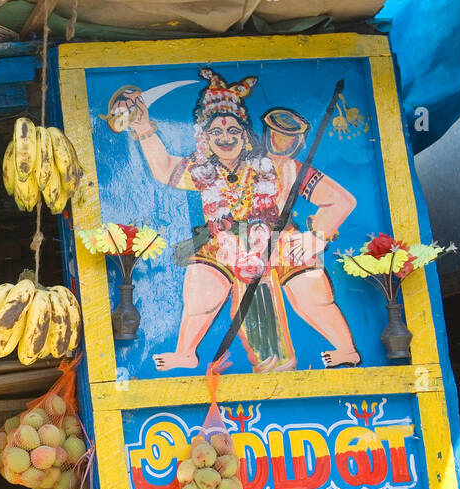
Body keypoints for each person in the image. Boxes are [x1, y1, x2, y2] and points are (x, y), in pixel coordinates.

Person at [119, 68, 359, 372]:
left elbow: (342, 200)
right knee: (200, 286)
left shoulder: (276, 166)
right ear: (204, 139)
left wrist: (316, 236)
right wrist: (143, 128)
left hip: (278, 239)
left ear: (245, 134)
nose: (225, 138)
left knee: (312, 290)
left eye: (233, 131)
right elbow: (165, 169)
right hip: (223, 241)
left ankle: (346, 348)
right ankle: (185, 352)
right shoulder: (202, 169)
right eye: (216, 133)